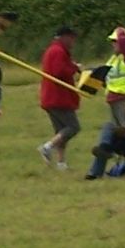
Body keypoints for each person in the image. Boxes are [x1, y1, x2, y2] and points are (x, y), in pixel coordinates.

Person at [38, 26, 82, 171]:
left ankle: (61, 163)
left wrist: (72, 65)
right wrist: (74, 68)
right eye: (72, 38)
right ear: (64, 37)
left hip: (51, 97)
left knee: (61, 132)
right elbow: (59, 71)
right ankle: (47, 147)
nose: (73, 41)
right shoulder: (58, 51)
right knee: (73, 127)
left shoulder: (54, 50)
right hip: (58, 97)